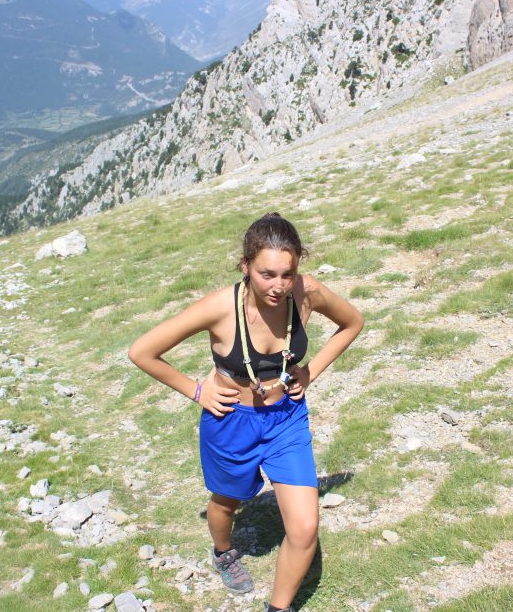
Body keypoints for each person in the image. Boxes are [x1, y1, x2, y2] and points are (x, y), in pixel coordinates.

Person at [128, 213, 364, 612]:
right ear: (245, 266)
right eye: (266, 274)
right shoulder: (221, 307)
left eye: (287, 274)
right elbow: (142, 351)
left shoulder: (306, 293)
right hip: (231, 421)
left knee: (305, 528)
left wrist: (310, 371)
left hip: (287, 419)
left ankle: (278, 608)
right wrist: (197, 391)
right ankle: (223, 552)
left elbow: (352, 322)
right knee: (227, 502)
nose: (278, 286)